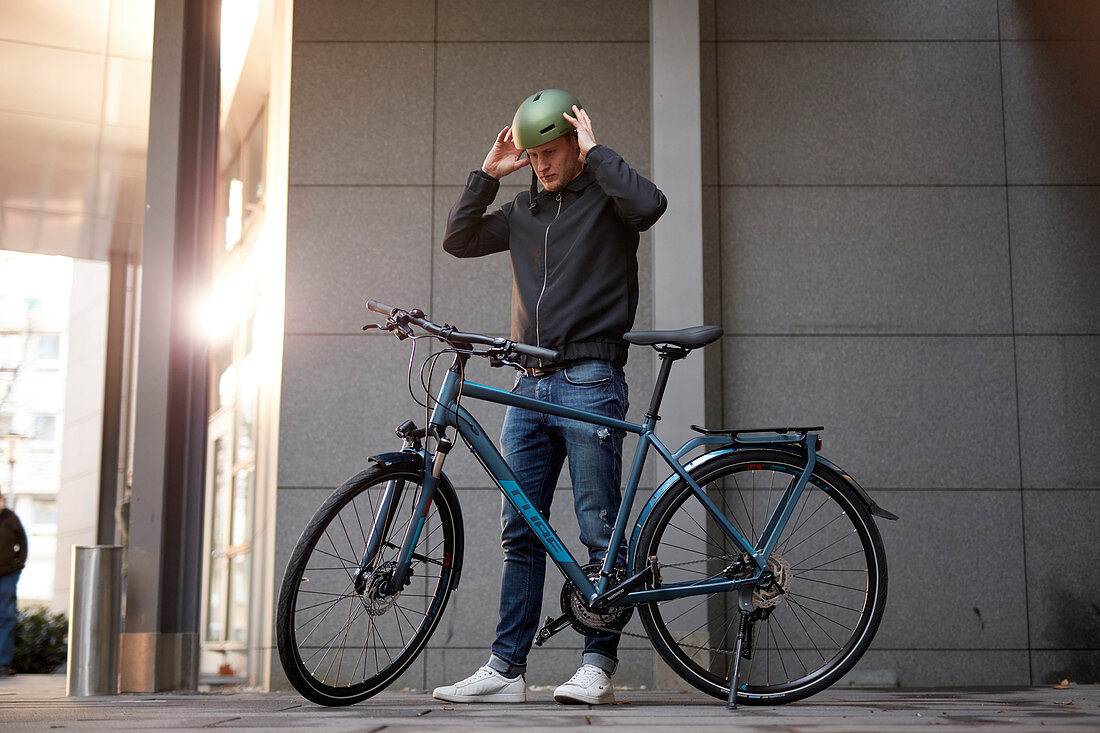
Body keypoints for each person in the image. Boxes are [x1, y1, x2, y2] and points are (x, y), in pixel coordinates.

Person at [432, 89, 666, 705]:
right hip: (528, 385)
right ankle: (507, 669)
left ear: (574, 144)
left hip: (590, 377)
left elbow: (651, 205)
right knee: (521, 529)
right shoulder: (520, 212)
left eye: (552, 150)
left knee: (598, 529)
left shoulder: (609, 202)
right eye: (533, 154)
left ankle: (597, 664)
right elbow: (458, 239)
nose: (541, 163)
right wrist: (486, 174)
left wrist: (597, 152)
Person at [0, 489, 28, 677]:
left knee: (7, 617)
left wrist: (19, 564)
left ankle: (3, 662)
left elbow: (23, 543)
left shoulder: (11, 518)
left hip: (8, 574)